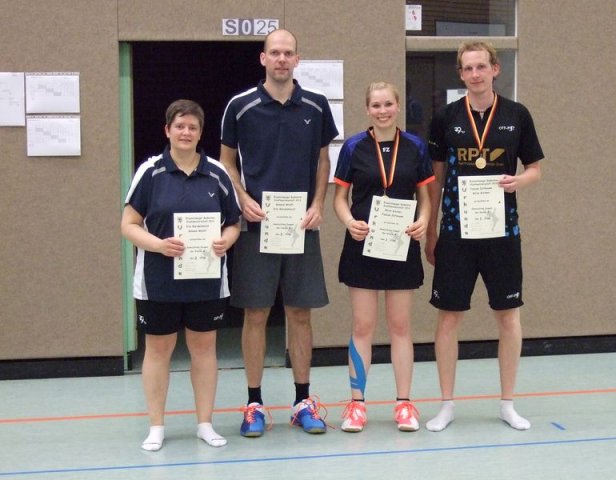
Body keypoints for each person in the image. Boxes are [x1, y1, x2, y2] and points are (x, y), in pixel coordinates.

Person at [219, 29, 339, 437]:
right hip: (258, 226)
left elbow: (323, 160)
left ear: (297, 59)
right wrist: (242, 198)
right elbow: (226, 162)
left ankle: (303, 401)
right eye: (275, 53)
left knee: (300, 313)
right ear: (263, 58)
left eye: (288, 53)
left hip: (301, 225)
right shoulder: (240, 106)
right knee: (255, 313)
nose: (282, 59)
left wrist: (318, 204)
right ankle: (254, 403)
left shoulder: (317, 105)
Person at [424, 41, 543, 432]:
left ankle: (508, 404)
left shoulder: (516, 115)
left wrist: (518, 181)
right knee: (448, 318)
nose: (475, 74)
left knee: (508, 317)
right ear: (460, 74)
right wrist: (431, 230)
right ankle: (446, 405)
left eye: (481, 66)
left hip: (502, 232)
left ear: (495, 69)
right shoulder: (445, 117)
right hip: (456, 233)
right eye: (467, 68)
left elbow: (535, 170)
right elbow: (435, 180)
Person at [121, 99, 241, 451]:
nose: (186, 132)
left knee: (204, 350)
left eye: (193, 127)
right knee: (158, 350)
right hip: (158, 282)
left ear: (200, 133)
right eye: (179, 126)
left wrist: (226, 241)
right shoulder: (150, 172)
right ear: (167, 130)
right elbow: (128, 225)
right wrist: (158, 245)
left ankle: (205, 423)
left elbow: (233, 223)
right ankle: (156, 426)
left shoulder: (217, 173)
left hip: (206, 281)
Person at [333, 81, 435, 433]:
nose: (382, 111)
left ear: (397, 106)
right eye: (376, 105)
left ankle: (404, 403)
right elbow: (339, 199)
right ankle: (357, 404)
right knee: (362, 326)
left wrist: (423, 222)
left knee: (400, 327)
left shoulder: (416, 146)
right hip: (363, 245)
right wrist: (349, 222)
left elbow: (425, 198)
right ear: (367, 109)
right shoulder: (353, 147)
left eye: (388, 104)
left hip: (400, 245)